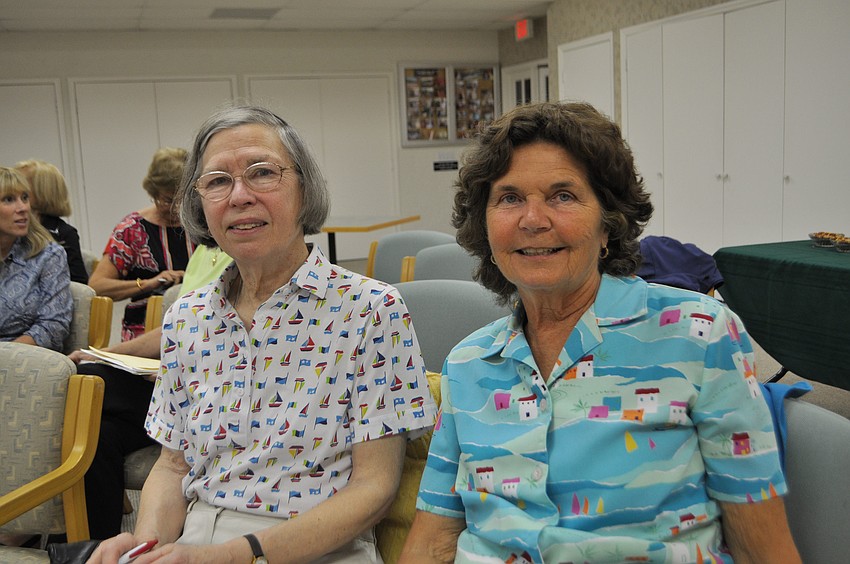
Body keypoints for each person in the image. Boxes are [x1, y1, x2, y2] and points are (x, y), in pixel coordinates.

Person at [400, 102, 801, 563]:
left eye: (562, 195)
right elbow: (432, 541)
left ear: (609, 223)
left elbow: (762, 548)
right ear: (485, 226)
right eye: (509, 197)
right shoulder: (467, 364)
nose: (533, 219)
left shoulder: (698, 334)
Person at [89, 104, 437, 563]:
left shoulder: (370, 310)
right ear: (199, 205)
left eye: (261, 173)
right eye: (217, 181)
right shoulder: (186, 317)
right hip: (193, 541)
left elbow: (374, 489)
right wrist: (144, 542)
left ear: (304, 189)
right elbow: (172, 466)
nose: (239, 196)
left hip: (319, 547)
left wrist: (236, 554)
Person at [68, 245, 233, 540]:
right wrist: (103, 353)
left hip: (196, 387)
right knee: (97, 433)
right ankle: (93, 546)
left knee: (80, 384)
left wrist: (103, 357)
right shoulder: (202, 255)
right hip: (167, 379)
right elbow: (173, 332)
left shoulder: (243, 257)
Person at [88, 147, 194, 342]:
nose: (176, 208)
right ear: (153, 192)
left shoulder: (202, 224)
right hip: (144, 329)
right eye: (168, 200)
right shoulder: (131, 229)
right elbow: (97, 286)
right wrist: (149, 283)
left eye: (183, 199)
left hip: (199, 324)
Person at [0, 167, 72, 351]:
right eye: (9, 199)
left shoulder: (47, 255)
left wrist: (5, 355)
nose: (23, 208)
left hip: (24, 360)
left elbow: (53, 326)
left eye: (24, 198)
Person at [15, 159, 89, 284]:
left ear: (43, 191)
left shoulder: (64, 234)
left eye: (21, 184)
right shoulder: (11, 231)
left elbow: (79, 283)